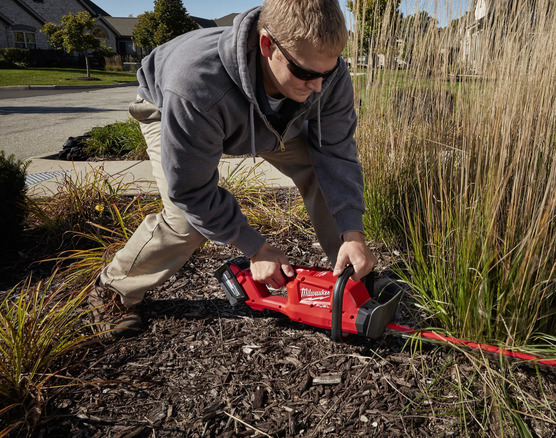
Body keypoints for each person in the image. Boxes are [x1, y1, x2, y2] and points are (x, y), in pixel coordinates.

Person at [88, 0, 377, 337]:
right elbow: (192, 191)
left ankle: (348, 276)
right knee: (184, 220)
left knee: (320, 171)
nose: (317, 87)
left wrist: (352, 233)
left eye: (326, 73)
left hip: (272, 116)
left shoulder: (324, 75)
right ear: (267, 44)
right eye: (305, 73)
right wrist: (255, 247)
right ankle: (114, 291)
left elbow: (337, 154)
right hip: (173, 106)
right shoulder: (195, 83)